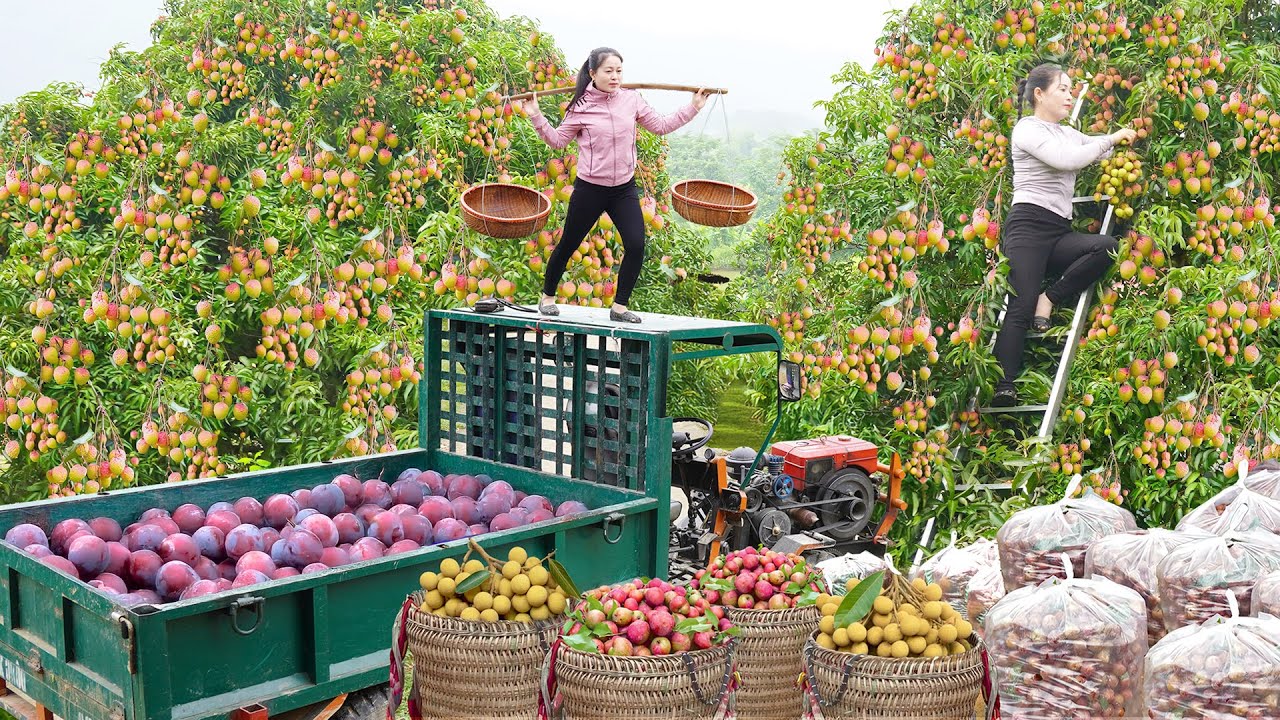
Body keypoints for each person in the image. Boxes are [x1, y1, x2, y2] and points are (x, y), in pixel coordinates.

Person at [519, 47, 708, 323]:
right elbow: (558, 140)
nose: (615, 76)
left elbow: (660, 125)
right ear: (593, 73)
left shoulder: (631, 100)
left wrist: (693, 108)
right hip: (590, 189)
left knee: (636, 244)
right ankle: (547, 297)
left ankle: (619, 307)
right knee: (569, 243)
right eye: (608, 71)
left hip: (623, 188)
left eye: (619, 71)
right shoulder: (581, 107)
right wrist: (536, 115)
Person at [990, 63, 1137, 407]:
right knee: (1020, 305)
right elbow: (1068, 160)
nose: (1070, 95)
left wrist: (1129, 137)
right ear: (1039, 94)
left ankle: (1051, 298)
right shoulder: (1027, 129)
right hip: (1027, 227)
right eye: (1063, 89)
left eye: (1072, 89)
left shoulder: (1068, 133)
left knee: (1106, 247)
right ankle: (1004, 386)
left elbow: (1095, 147)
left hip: (1058, 228)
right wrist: (1111, 138)